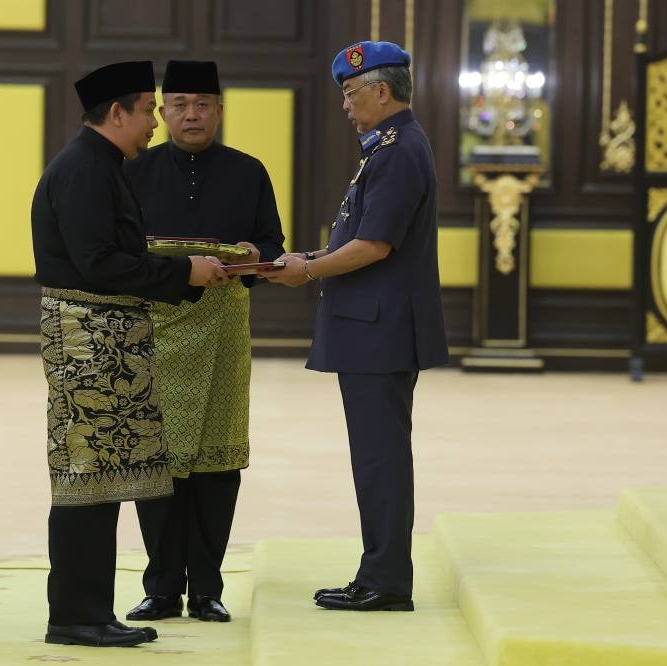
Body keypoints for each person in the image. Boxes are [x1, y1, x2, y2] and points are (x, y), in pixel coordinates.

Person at [30, 60, 229, 647]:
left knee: (104, 481)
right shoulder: (86, 170)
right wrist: (183, 270)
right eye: (148, 111)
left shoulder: (102, 164)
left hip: (108, 342)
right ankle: (74, 616)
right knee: (86, 481)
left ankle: (90, 609)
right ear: (116, 113)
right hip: (89, 343)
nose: (155, 123)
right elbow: (100, 264)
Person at [265, 41, 449, 612]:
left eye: (351, 93)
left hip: (379, 329)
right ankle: (380, 573)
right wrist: (311, 256)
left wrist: (309, 270)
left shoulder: (397, 151)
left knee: (380, 460)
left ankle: (386, 582)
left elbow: (375, 244)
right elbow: (360, 236)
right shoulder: (389, 147)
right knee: (376, 457)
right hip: (374, 325)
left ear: (381, 91)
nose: (346, 105)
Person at [122, 60, 285, 623]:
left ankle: (208, 587)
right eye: (180, 104)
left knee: (217, 462)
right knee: (158, 457)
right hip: (155, 328)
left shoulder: (249, 171)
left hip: (222, 328)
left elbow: (271, 244)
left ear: (219, 110)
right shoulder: (134, 171)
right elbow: (119, 250)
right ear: (163, 112)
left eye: (204, 104)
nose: (192, 115)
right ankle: (162, 587)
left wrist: (244, 253)